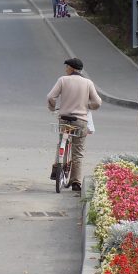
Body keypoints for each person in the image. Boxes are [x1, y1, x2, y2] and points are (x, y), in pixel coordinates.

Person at [47, 58, 102, 192]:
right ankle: (76, 182)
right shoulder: (88, 83)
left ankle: (58, 169)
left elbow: (51, 97)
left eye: (67, 67)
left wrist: (53, 108)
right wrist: (87, 106)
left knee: (62, 142)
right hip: (80, 121)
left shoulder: (63, 80)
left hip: (64, 119)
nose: (66, 70)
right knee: (77, 152)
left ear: (71, 68)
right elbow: (98, 102)